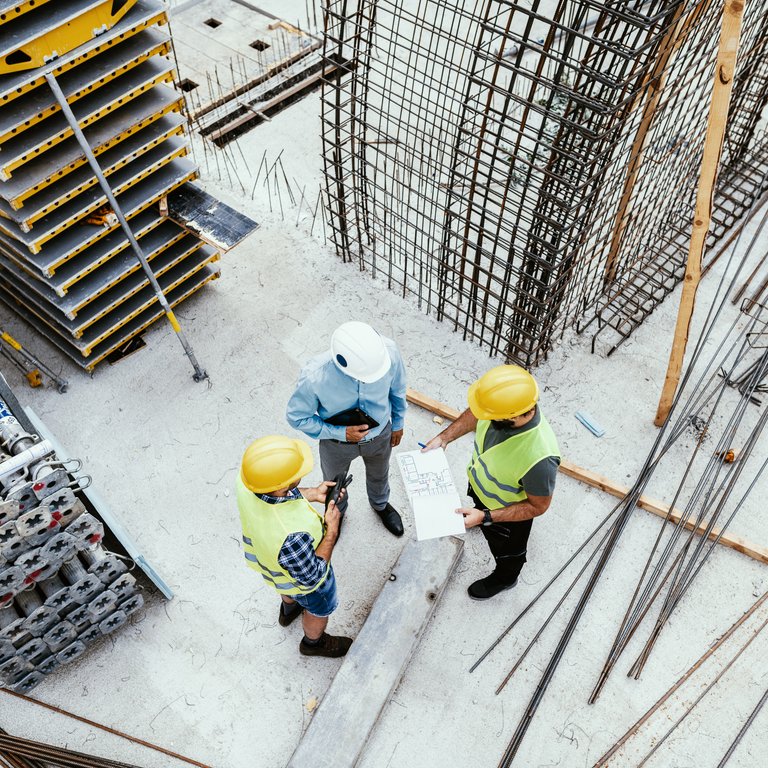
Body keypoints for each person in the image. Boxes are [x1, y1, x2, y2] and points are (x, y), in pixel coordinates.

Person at [423, 365, 560, 600]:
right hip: (481, 490)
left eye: (491, 414)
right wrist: (445, 437)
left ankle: (506, 578)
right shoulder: (502, 410)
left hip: (507, 517)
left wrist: (486, 517)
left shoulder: (540, 458)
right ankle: (479, 518)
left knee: (508, 552)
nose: (484, 417)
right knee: (477, 512)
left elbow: (538, 506)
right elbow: (477, 413)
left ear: (514, 416)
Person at [286, 321, 407, 537]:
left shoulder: (388, 354)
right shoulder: (314, 376)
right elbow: (297, 417)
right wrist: (340, 433)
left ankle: (380, 504)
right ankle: (337, 514)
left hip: (380, 437)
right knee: (334, 484)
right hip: (336, 446)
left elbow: (398, 389)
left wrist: (398, 423)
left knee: (380, 474)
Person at [236, 435, 352, 657]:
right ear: (282, 486)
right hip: (305, 581)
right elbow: (313, 576)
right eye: (296, 476)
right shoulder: (292, 537)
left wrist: (312, 494)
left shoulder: (246, 481)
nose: (301, 474)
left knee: (287, 589)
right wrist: (332, 529)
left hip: (271, 566)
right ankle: (313, 643)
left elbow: (275, 496)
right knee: (318, 608)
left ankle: (289, 610)